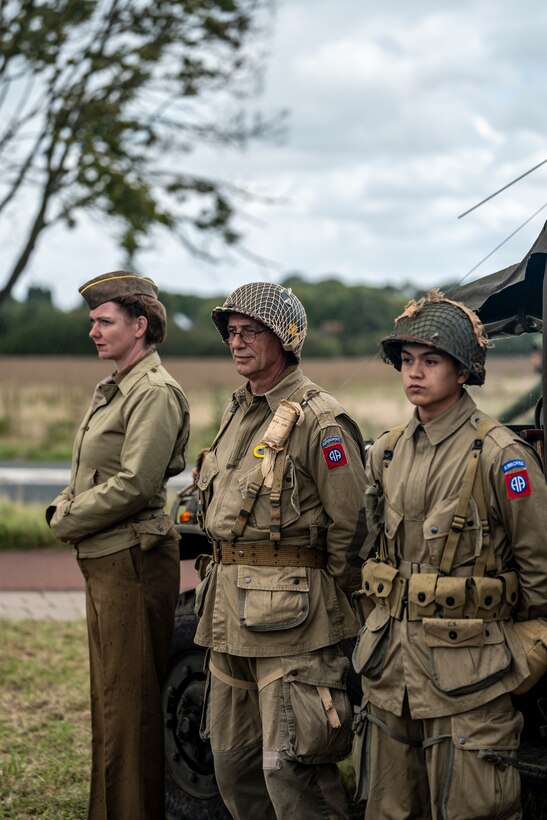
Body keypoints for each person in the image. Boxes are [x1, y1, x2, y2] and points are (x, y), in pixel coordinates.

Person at [352, 289, 547, 820]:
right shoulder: (385, 451)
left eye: (431, 361)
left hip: (472, 679)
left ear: (463, 372)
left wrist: (523, 655)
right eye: (407, 361)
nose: (414, 373)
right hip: (391, 676)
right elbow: (371, 552)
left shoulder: (502, 455)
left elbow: (541, 574)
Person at [193, 281, 367, 819]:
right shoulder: (240, 410)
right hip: (228, 616)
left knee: (292, 772)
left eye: (252, 332)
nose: (238, 342)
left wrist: (328, 598)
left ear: (286, 339)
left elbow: (352, 526)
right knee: (234, 765)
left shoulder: (319, 419)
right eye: (233, 332)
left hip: (295, 625)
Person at [46, 270, 190, 820]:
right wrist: (67, 504)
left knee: (130, 716)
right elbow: (89, 471)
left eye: (104, 321)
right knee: (110, 708)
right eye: (92, 322)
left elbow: (136, 484)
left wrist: (66, 519)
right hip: (107, 558)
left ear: (140, 324)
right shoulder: (115, 387)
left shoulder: (153, 392)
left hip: (132, 559)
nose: (94, 331)